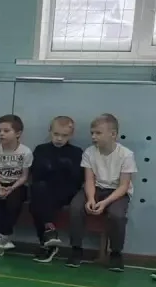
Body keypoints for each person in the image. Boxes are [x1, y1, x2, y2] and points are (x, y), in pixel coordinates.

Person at [67, 113, 134, 271]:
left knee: (117, 215)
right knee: (75, 207)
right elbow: (89, 180)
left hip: (117, 192)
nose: (93, 137)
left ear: (113, 134)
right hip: (95, 188)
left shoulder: (126, 155)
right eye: (92, 133)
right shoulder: (89, 152)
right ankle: (76, 249)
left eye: (98, 133)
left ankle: (116, 253)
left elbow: (124, 186)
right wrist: (91, 198)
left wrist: (104, 203)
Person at [29, 116, 83, 263]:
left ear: (71, 135)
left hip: (65, 192)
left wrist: (54, 169)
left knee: (39, 199)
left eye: (64, 135)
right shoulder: (41, 149)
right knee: (38, 191)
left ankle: (46, 239)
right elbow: (35, 173)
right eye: (56, 134)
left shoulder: (76, 152)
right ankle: (49, 231)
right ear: (50, 131)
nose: (59, 139)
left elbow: (77, 179)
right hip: (44, 190)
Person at [0, 114, 32, 256]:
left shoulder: (25, 152)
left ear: (18, 133)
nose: (1, 134)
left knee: (13, 202)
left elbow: (24, 176)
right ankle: (1, 235)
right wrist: (0, 188)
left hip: (17, 184)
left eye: (6, 131)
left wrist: (11, 188)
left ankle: (4, 235)